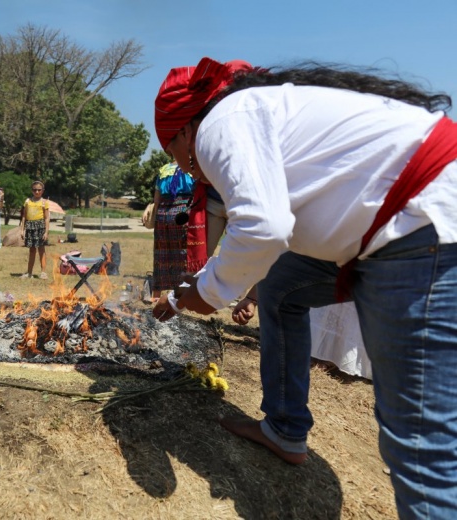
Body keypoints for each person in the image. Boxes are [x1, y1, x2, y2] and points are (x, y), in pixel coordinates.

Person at [152, 57, 457, 518]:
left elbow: (262, 228)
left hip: (421, 227)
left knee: (420, 448)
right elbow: (269, 235)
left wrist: (204, 294)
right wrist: (190, 290)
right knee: (282, 287)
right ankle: (285, 428)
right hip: (394, 228)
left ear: (184, 131)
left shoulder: (220, 123)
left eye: (174, 152)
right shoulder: (250, 113)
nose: (187, 169)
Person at [148, 162, 197, 302]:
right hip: (183, 210)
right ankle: (179, 293)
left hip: (163, 212)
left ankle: (156, 295)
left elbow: (156, 199)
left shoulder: (164, 169)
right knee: (182, 254)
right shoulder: (191, 168)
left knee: (161, 253)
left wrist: (155, 214)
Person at [20, 180, 49, 279]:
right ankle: (29, 273)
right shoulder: (28, 201)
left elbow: (46, 218)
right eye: (34, 190)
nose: (37, 192)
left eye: (39, 190)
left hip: (40, 227)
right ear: (32, 190)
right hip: (30, 227)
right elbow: (24, 216)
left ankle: (43, 272)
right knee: (32, 250)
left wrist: (46, 232)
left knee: (41, 249)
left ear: (43, 190)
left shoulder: (44, 202)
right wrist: (22, 229)